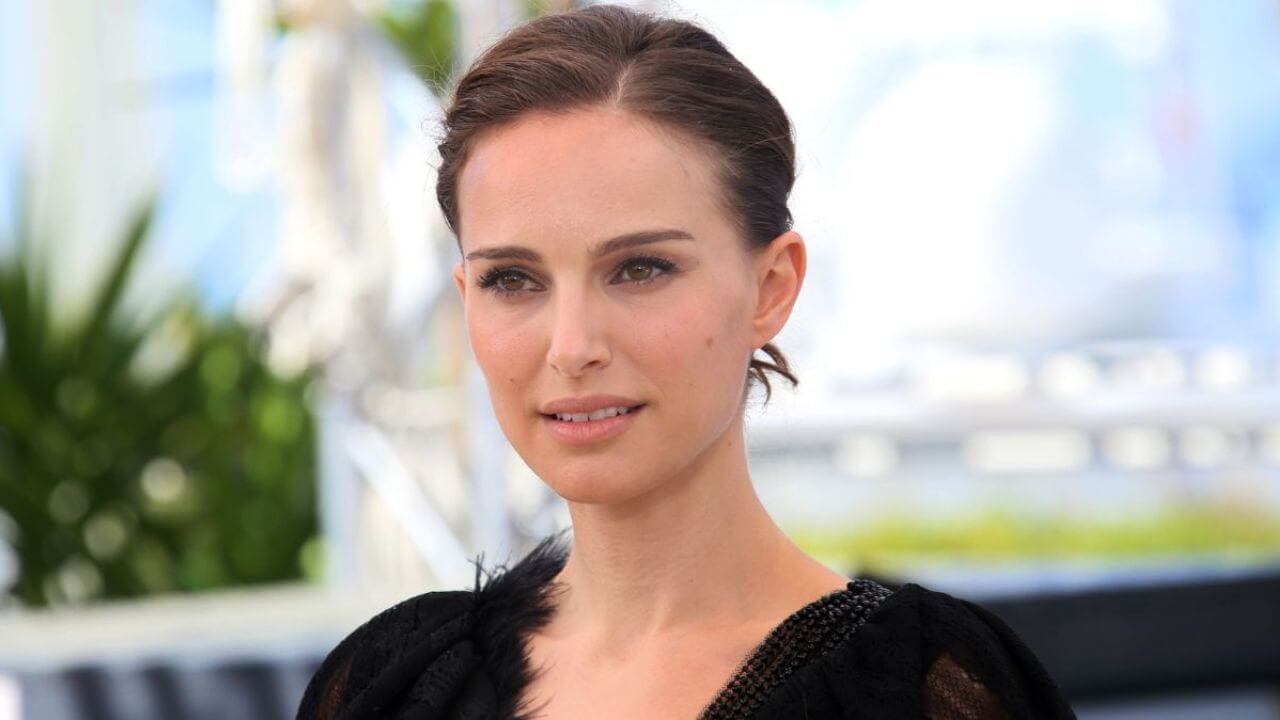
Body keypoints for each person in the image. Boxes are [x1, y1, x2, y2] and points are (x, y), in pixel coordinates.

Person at [295, 4, 1077, 719]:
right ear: (466, 295)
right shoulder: (390, 683)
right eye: (513, 280)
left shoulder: (923, 688)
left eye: (639, 269)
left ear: (772, 287)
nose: (572, 347)